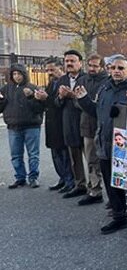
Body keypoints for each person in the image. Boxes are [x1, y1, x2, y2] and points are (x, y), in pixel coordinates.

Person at [76, 55, 127, 234]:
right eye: (113, 67)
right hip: (105, 145)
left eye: (120, 68)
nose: (116, 71)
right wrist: (84, 99)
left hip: (126, 147)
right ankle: (119, 218)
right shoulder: (105, 88)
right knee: (112, 186)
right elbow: (97, 112)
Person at [0, 63, 45, 188]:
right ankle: (20, 177)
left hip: (31, 126)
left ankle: (33, 177)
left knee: (33, 154)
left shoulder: (33, 87)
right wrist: (2, 100)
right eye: (14, 74)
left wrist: (31, 97)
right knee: (16, 155)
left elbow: (39, 109)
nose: (16, 76)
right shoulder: (5, 89)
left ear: (24, 74)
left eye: (19, 74)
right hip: (13, 126)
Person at [75, 54, 108, 206]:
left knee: (109, 162)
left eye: (95, 66)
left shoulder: (107, 82)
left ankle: (117, 197)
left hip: (104, 127)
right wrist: (84, 102)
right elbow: (76, 101)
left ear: (102, 67)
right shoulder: (82, 80)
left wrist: (91, 103)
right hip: (87, 126)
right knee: (91, 160)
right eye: (90, 65)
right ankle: (95, 190)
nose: (92, 68)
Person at [55, 50, 88, 198]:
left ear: (80, 63)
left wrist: (72, 96)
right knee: (74, 158)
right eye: (67, 61)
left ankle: (96, 187)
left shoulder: (87, 79)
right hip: (69, 123)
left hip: (85, 122)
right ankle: (79, 184)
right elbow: (56, 103)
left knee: (92, 159)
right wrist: (61, 97)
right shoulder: (61, 80)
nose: (69, 63)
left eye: (72, 61)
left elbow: (89, 101)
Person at [39, 57, 74, 192]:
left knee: (65, 155)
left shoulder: (65, 82)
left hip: (62, 122)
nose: (49, 72)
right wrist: (39, 98)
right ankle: (62, 178)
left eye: (52, 69)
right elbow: (48, 102)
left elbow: (58, 103)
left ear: (61, 68)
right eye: (47, 70)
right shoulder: (51, 83)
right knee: (56, 154)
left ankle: (70, 181)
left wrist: (46, 98)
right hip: (51, 123)